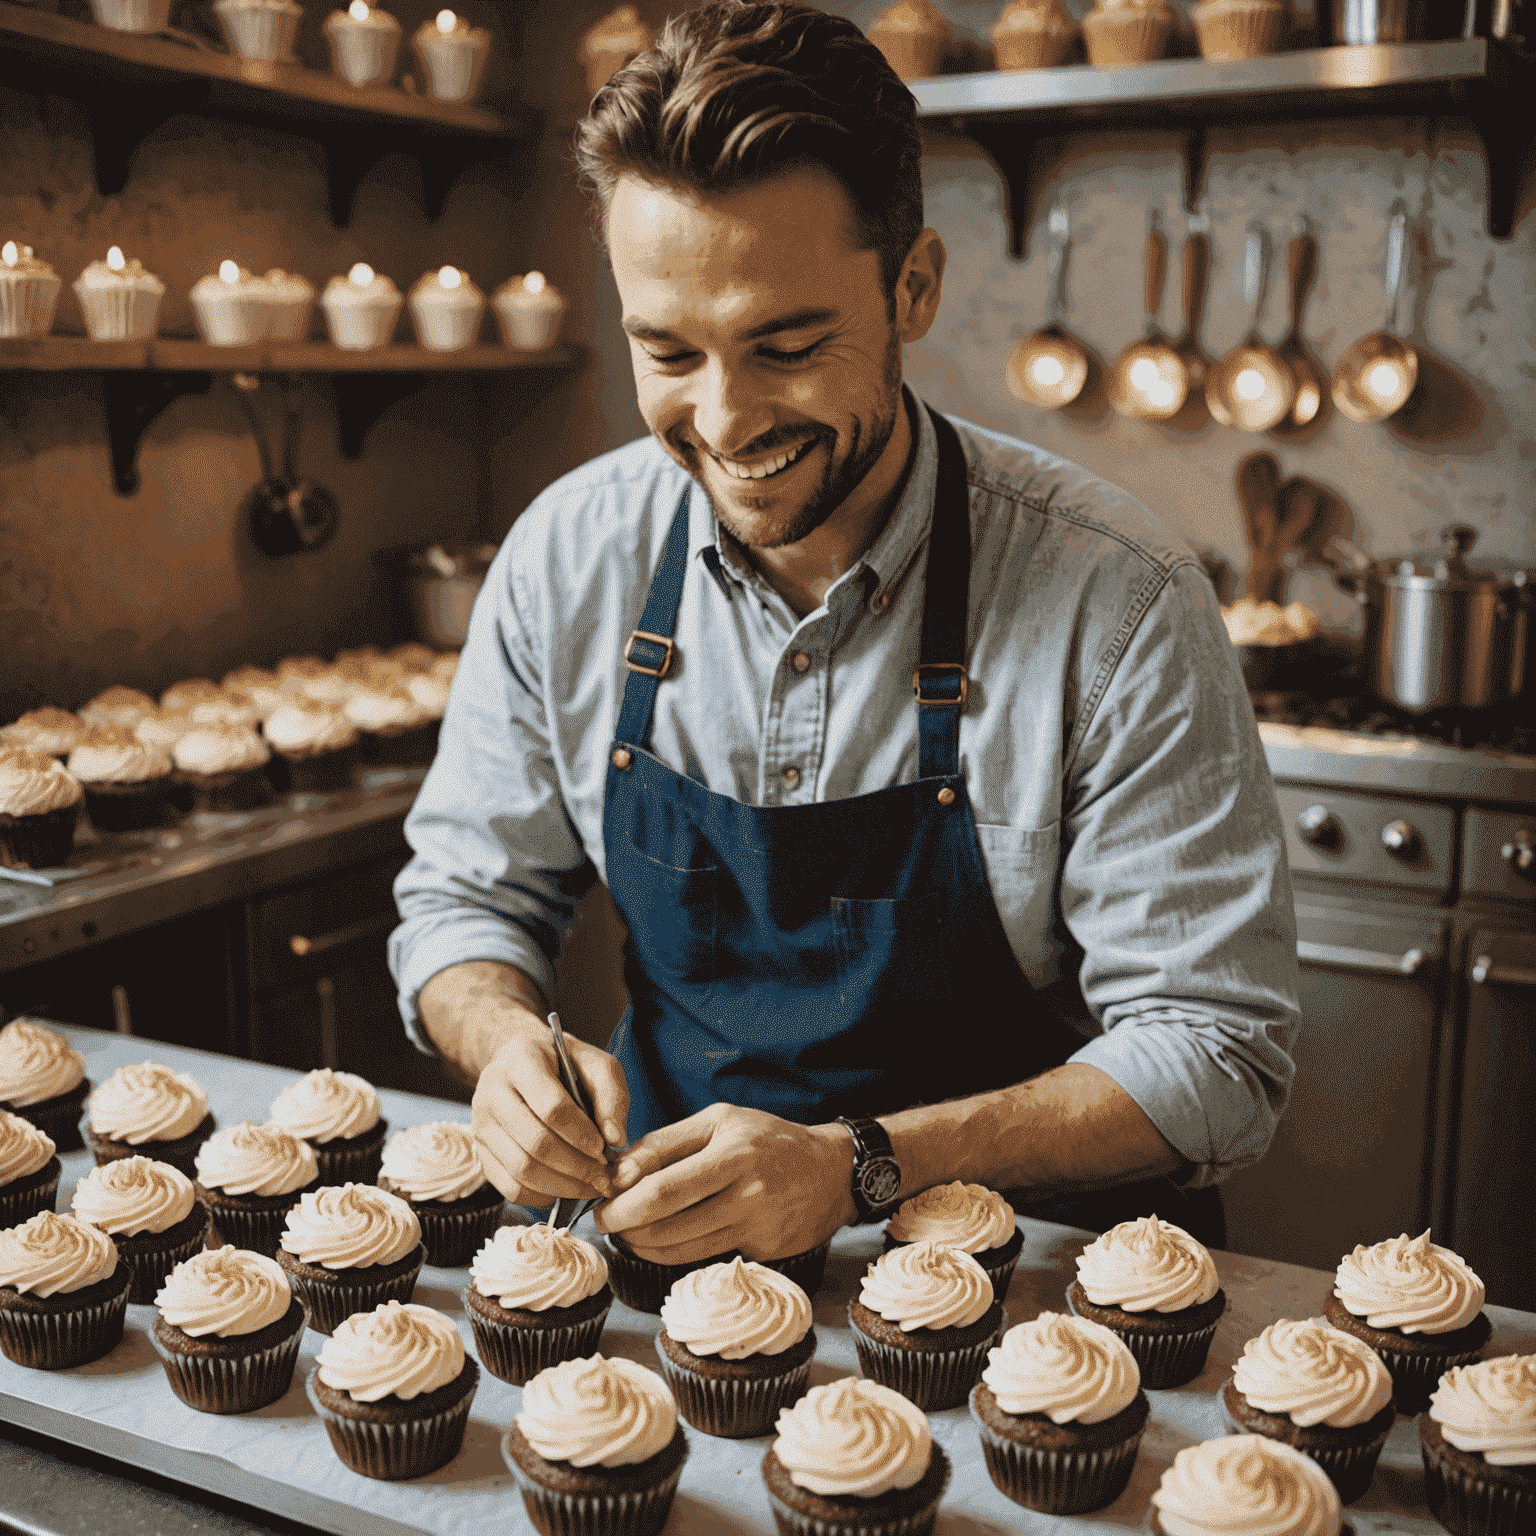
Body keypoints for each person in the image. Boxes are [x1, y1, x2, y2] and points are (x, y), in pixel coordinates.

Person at [388, 0, 1300, 1266]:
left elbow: (1215, 1052)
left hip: (1024, 1277)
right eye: (668, 351)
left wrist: (861, 1165)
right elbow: (461, 898)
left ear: (911, 286)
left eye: (789, 344)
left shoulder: (1119, 597)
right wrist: (502, 1048)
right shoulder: (567, 555)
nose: (725, 419)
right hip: (671, 1246)